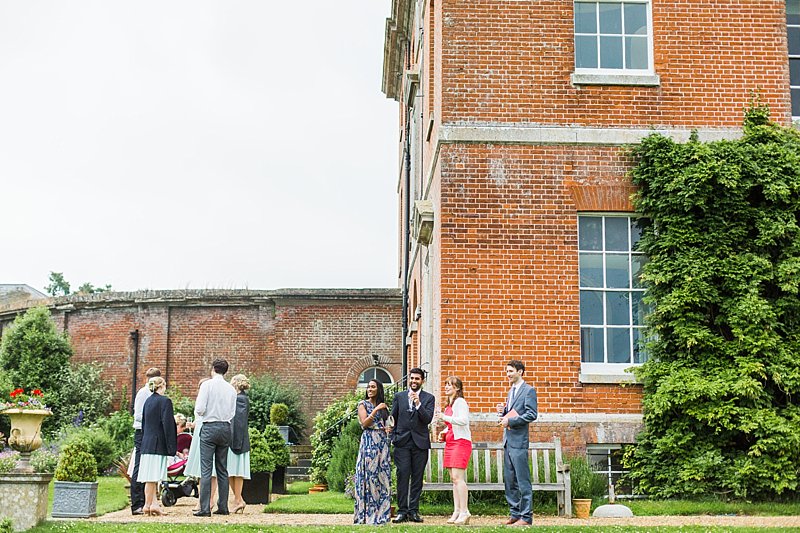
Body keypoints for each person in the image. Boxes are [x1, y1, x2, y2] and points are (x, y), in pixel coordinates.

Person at [389, 367, 435, 523]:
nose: (414, 381)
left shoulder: (429, 398)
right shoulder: (399, 396)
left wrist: (418, 404)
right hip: (402, 442)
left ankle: (413, 511)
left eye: (417, 379)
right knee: (402, 476)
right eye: (412, 378)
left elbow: (427, 419)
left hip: (420, 443)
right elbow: (392, 418)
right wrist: (393, 436)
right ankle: (402, 511)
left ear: (422, 381)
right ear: (409, 379)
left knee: (417, 478)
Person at [496, 359, 538, 527]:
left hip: (519, 442)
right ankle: (515, 514)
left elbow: (531, 414)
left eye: (510, 371)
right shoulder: (511, 391)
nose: (508, 374)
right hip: (508, 441)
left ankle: (526, 517)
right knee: (510, 480)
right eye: (506, 372)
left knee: (522, 481)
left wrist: (510, 421)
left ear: (520, 372)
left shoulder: (529, 391)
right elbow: (512, 412)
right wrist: (503, 412)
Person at [193, 358, 237, 517]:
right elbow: (232, 412)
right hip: (225, 427)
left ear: (213, 369)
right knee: (222, 469)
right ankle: (223, 506)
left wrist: (206, 413)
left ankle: (205, 508)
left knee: (206, 469)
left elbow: (199, 409)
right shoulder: (231, 389)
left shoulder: (207, 385)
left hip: (209, 426)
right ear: (225, 371)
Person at [137, 377, 178, 516]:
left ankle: (154, 504)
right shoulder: (165, 401)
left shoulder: (148, 401)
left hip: (147, 442)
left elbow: (143, 424)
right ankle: (148, 504)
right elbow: (168, 425)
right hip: (158, 443)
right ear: (162, 386)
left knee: (150, 476)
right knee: (152, 476)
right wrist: (171, 445)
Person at [353, 379, 391, 525]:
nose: (370, 389)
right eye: (368, 387)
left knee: (382, 477)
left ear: (378, 389)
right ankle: (367, 515)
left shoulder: (384, 407)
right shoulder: (363, 404)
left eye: (373, 387)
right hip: (369, 441)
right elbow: (364, 424)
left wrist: (388, 428)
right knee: (369, 477)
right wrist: (375, 410)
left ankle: (382, 514)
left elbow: (386, 423)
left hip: (382, 443)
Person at [435, 376, 472, 525]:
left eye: (450, 385)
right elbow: (452, 425)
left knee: (458, 478)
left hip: (460, 442)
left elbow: (463, 420)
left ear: (457, 388)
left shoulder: (460, 402)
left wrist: (444, 417)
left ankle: (465, 511)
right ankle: (457, 511)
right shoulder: (449, 404)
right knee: (454, 479)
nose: (447, 387)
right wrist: (444, 431)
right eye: (446, 385)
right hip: (451, 442)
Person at [130, 367, 161, 515]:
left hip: (150, 432)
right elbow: (138, 416)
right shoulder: (143, 393)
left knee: (146, 466)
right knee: (139, 466)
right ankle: (137, 503)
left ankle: (147, 501)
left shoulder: (154, 394)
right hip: (142, 432)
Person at [184, 378, 218, 512]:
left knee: (212, 468)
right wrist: (192, 425)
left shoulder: (212, 400)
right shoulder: (200, 400)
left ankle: (210, 499)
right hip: (199, 432)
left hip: (208, 431)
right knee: (201, 469)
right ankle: (202, 499)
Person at [227, 374, 251, 514]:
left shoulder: (240, 399)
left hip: (237, 440)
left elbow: (238, 423)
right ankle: (238, 499)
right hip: (234, 439)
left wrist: (234, 441)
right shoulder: (239, 398)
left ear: (235, 383)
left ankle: (237, 500)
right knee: (230, 471)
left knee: (236, 471)